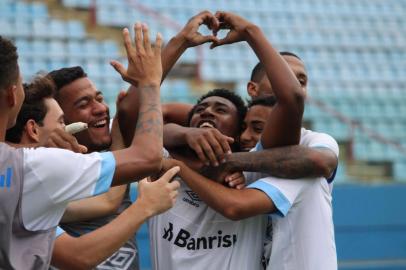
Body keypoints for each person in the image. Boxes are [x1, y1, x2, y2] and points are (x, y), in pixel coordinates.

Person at [119, 10, 305, 269]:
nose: (207, 112)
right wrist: (181, 41)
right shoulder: (161, 165)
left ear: (240, 132)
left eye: (221, 110)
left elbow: (292, 100)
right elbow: (129, 112)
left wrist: (251, 32)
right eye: (201, 110)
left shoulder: (254, 174)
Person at [159, 11, 338, 270]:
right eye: (285, 74)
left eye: (302, 80)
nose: (295, 84)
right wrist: (190, 132)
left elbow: (316, 159)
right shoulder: (252, 146)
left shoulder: (310, 142)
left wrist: (251, 32)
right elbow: (176, 116)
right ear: (252, 90)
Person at [0, 25, 178, 270]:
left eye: (100, 98)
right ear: (12, 96)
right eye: (61, 120)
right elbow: (147, 159)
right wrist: (149, 82)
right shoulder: (35, 168)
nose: (100, 109)